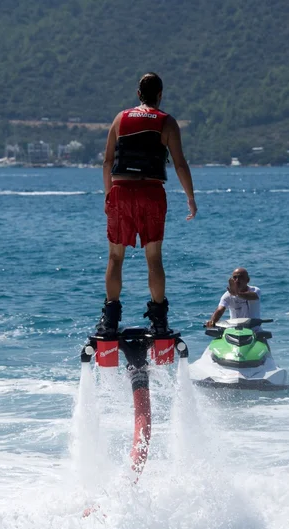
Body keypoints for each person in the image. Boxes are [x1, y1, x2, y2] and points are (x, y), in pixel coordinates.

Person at [96, 72, 197, 336]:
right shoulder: (167, 122)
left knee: (115, 257)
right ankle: (159, 319)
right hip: (152, 193)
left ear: (138, 94)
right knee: (153, 258)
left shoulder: (121, 118)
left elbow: (107, 162)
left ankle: (110, 319)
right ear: (160, 95)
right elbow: (180, 164)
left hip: (122, 191)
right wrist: (190, 197)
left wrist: (109, 194)